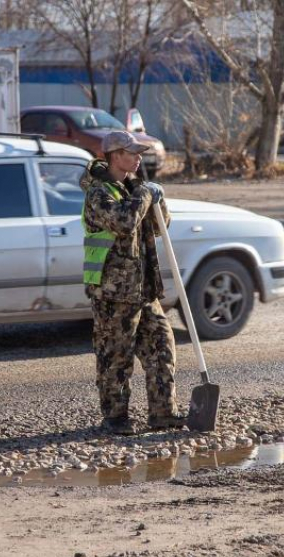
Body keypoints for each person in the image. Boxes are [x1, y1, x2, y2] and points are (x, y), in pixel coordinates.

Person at [80, 130, 185, 435]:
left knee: (162, 344)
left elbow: (158, 227)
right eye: (132, 153)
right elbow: (124, 223)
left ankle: (164, 412)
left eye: (139, 153)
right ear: (114, 156)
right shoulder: (99, 192)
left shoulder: (132, 189)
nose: (139, 157)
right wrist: (145, 195)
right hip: (113, 291)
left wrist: (157, 200)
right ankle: (115, 417)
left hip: (142, 289)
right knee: (116, 356)